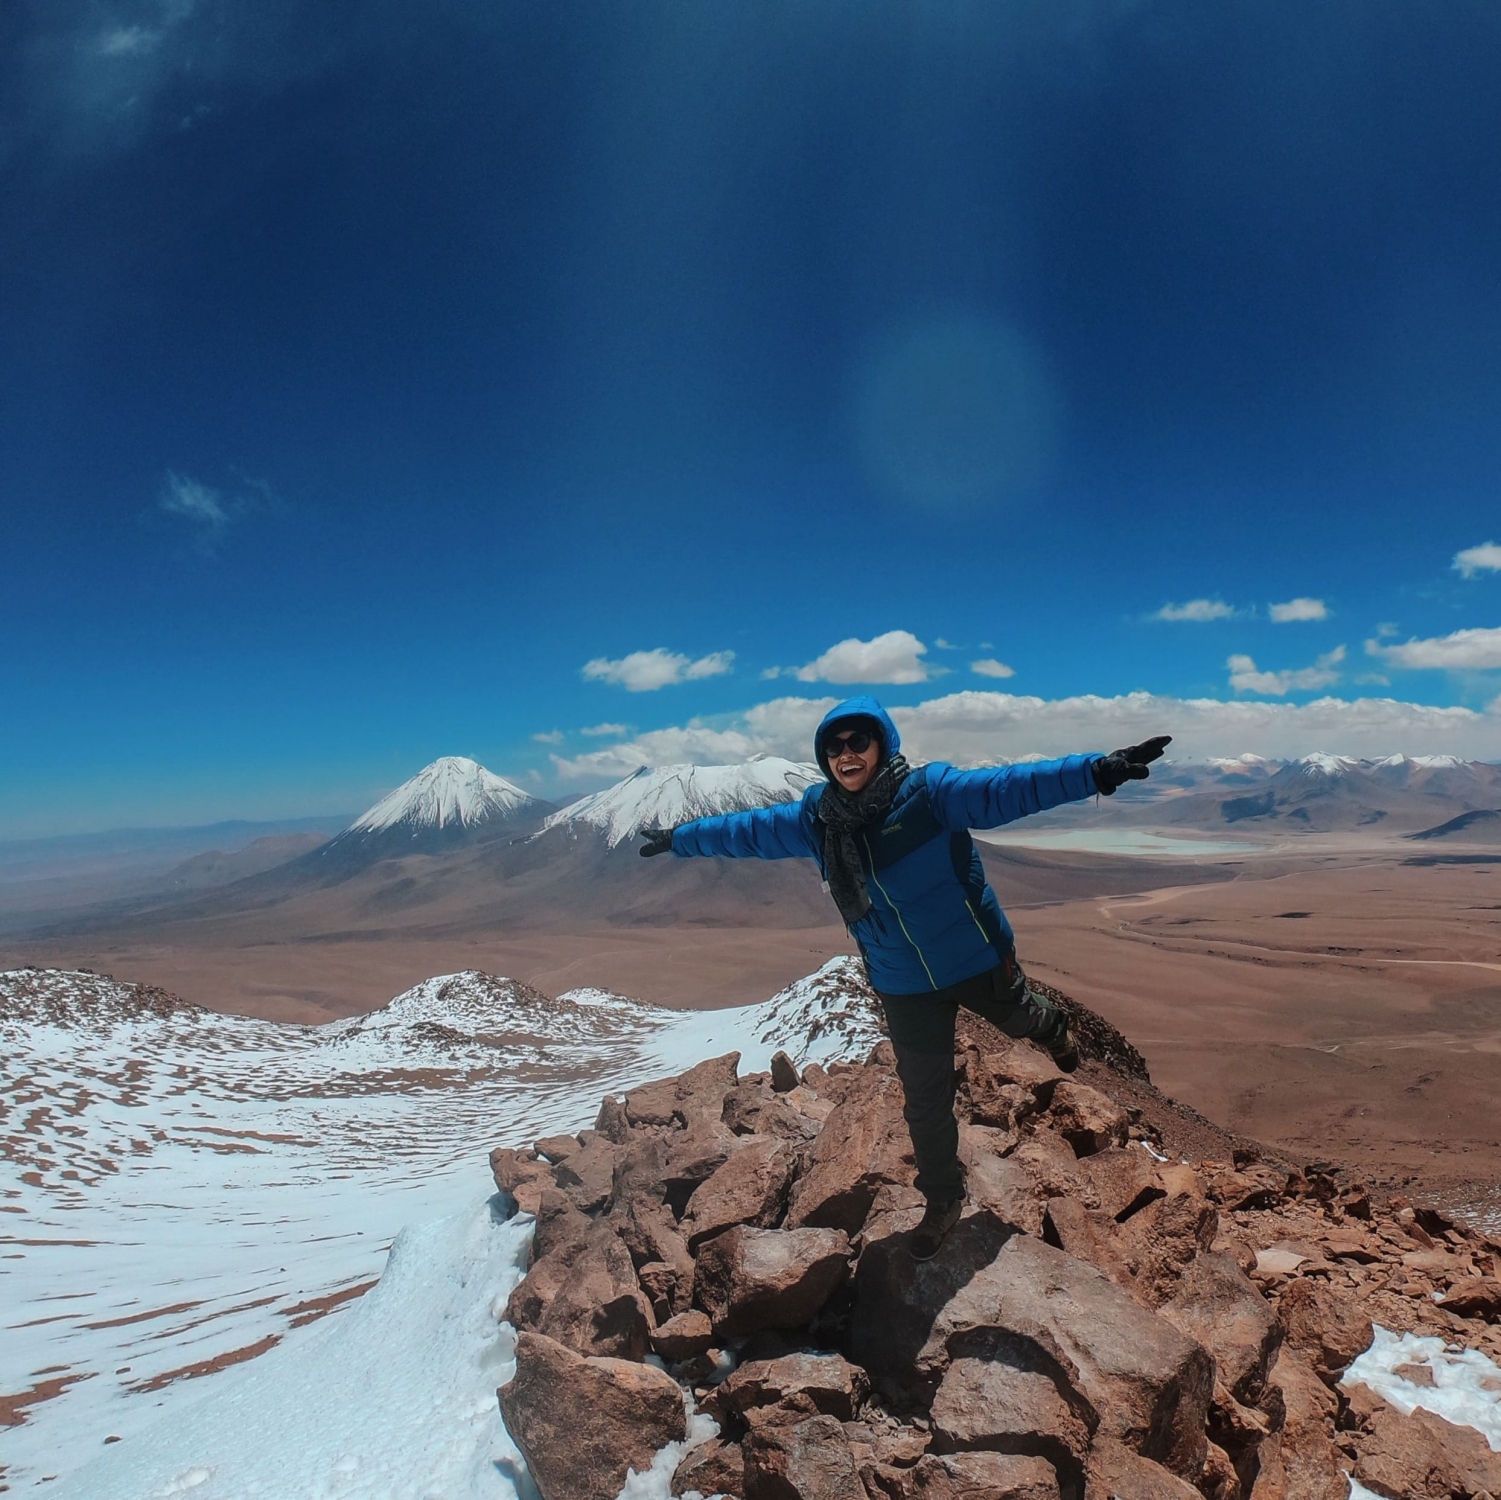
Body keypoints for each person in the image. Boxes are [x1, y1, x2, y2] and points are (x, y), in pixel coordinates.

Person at [639, 696, 1169, 1259]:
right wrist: (680, 838)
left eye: (857, 742)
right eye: (833, 746)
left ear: (882, 744)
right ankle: (943, 1200)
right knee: (924, 1101)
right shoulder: (816, 820)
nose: (846, 754)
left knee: (1018, 1016)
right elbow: (744, 832)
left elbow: (1006, 789)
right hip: (901, 981)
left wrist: (1094, 771)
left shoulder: (930, 796)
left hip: (974, 958)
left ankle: (1052, 1027)